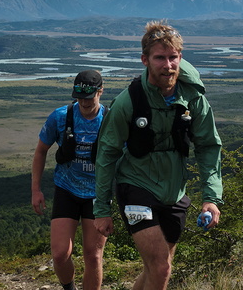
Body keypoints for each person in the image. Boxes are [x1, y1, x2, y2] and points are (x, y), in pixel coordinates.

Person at [94, 21, 223, 290]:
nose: (168, 65)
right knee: (162, 267)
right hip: (136, 186)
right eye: (159, 58)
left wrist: (211, 198)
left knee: (156, 269)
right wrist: (102, 209)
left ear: (180, 57)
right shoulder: (128, 102)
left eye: (173, 57)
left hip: (175, 191)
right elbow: (107, 154)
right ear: (145, 60)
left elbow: (209, 146)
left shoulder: (193, 98)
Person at [31, 70, 108, 290]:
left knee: (93, 257)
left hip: (98, 194)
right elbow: (40, 152)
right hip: (67, 189)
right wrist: (36, 190)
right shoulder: (60, 117)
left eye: (89, 97)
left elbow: (125, 158)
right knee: (59, 253)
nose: (83, 102)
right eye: (79, 97)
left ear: (100, 92)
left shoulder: (111, 120)